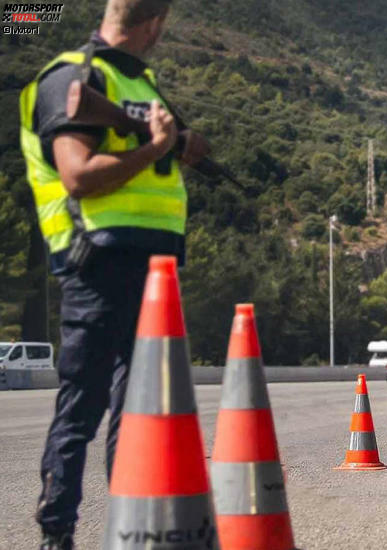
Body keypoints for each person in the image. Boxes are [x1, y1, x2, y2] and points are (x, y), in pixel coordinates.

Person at [18, 1, 205, 547]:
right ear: (153, 25)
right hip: (97, 261)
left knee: (137, 406)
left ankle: (134, 528)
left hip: (154, 268)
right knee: (84, 402)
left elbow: (164, 147)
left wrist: (181, 145)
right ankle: (57, 532)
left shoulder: (142, 83)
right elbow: (77, 176)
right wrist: (155, 146)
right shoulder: (72, 77)